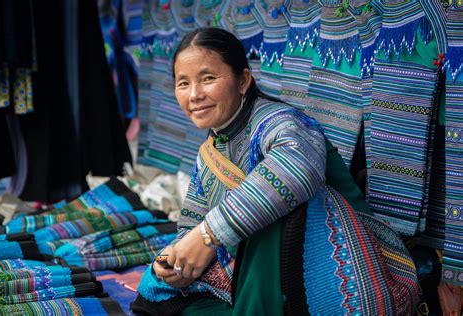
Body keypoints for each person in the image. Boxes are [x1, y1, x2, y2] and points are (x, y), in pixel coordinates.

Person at [131, 28, 419, 315]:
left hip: (334, 269)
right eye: (183, 83)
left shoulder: (281, 122)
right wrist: (177, 258)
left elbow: (295, 173)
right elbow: (191, 224)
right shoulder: (209, 153)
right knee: (156, 285)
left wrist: (208, 235)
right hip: (264, 279)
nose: (194, 94)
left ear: (243, 80)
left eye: (208, 79)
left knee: (274, 208)